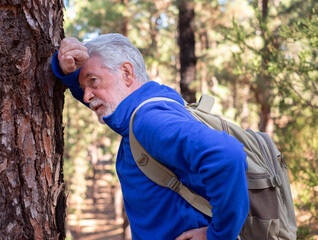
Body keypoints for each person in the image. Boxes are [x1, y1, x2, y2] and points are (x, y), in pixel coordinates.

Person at [52, 33, 249, 240]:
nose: (86, 96)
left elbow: (227, 155)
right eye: (83, 88)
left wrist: (217, 236)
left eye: (93, 81)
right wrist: (68, 69)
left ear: (126, 73)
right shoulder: (148, 106)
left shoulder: (149, 120)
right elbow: (103, 100)